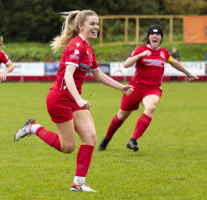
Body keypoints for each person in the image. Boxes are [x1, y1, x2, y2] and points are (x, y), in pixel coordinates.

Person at [14, 10, 133, 192]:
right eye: (92, 24)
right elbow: (68, 76)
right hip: (60, 98)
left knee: (90, 138)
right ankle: (33, 128)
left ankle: (78, 183)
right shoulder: (76, 46)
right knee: (67, 147)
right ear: (81, 26)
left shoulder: (88, 48)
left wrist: (121, 87)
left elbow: (98, 74)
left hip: (73, 99)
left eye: (97, 24)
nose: (96, 27)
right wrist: (79, 99)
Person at [98, 25, 198, 152]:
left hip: (153, 89)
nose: (155, 36)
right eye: (152, 34)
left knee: (151, 106)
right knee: (122, 116)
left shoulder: (164, 53)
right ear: (148, 37)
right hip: (135, 88)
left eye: (158, 35)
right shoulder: (140, 49)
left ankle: (133, 140)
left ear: (161, 38)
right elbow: (126, 64)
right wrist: (141, 55)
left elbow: (174, 63)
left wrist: (188, 73)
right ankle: (106, 139)